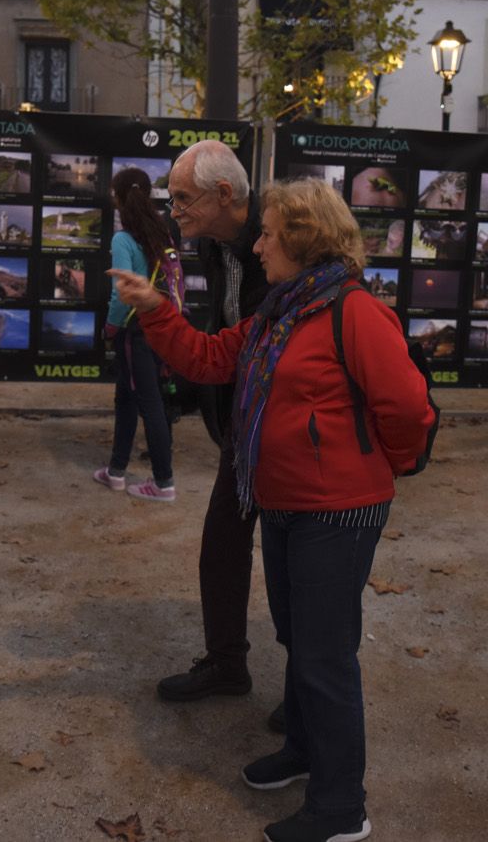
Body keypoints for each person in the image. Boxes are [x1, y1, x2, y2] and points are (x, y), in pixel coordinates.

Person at [111, 177, 433, 842]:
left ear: (302, 239)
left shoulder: (355, 312)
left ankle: (343, 807)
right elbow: (209, 357)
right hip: (285, 503)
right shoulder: (281, 312)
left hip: (337, 511)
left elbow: (407, 411)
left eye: (268, 233)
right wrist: (153, 307)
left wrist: (377, 466)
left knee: (325, 655)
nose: (256, 245)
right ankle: (305, 752)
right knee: (300, 639)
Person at [150, 140, 273, 711]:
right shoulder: (212, 244)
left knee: (293, 560)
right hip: (239, 422)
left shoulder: (279, 245)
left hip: (285, 432)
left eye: (182, 199)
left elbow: (250, 344)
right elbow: (222, 328)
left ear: (225, 194)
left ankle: (306, 700)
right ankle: (228, 663)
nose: (174, 210)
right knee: (222, 544)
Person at [93, 167, 177, 502]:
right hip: (159, 325)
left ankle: (164, 482)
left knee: (147, 402)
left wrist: (110, 328)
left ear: (118, 197)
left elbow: (120, 294)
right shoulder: (162, 231)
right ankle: (116, 471)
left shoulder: (123, 239)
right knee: (127, 398)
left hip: (134, 329)